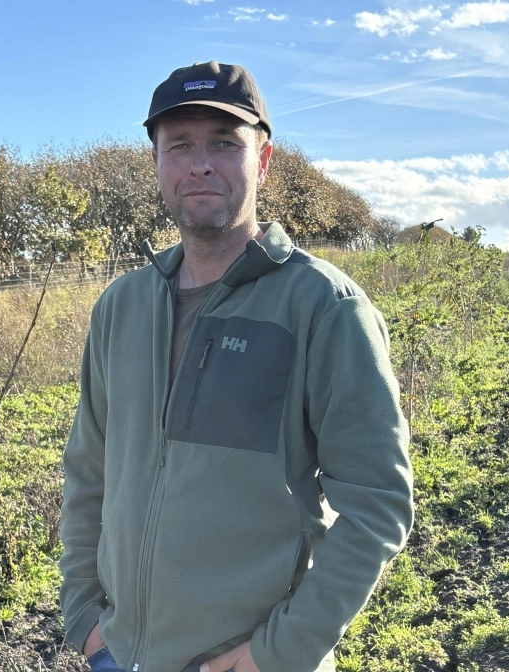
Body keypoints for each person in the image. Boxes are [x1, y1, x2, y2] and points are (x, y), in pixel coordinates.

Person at [58, 60, 414, 672]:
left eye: (224, 143)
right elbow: (89, 474)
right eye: (180, 145)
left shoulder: (323, 308)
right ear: (156, 162)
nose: (200, 164)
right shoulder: (121, 307)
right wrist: (85, 618)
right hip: (118, 654)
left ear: (263, 159)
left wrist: (279, 653)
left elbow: (377, 503)